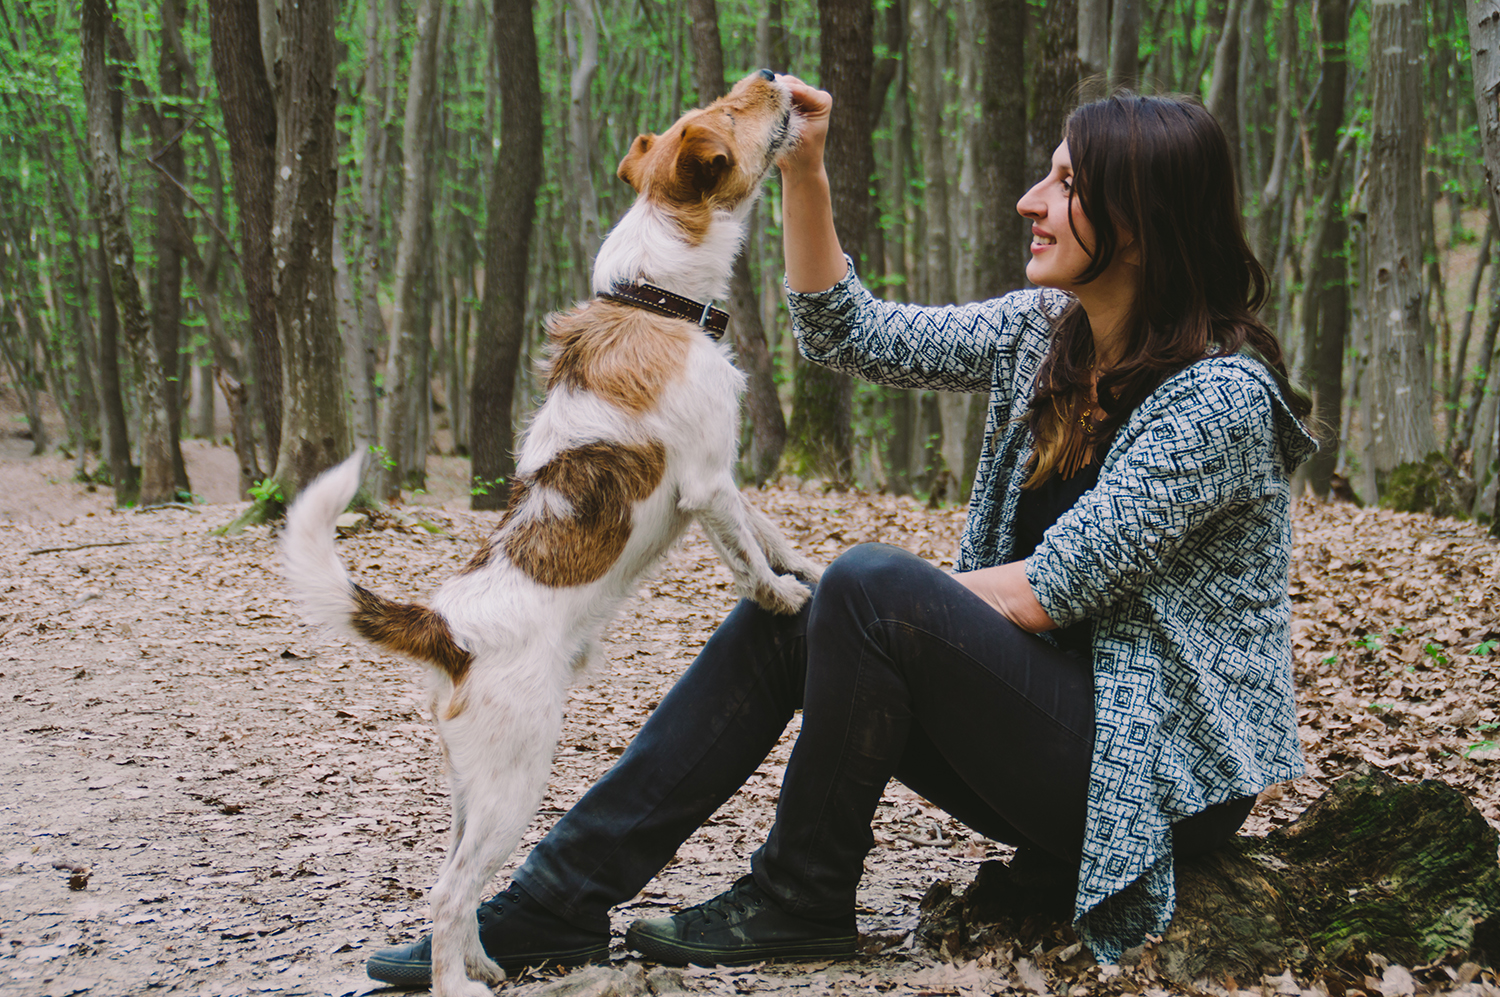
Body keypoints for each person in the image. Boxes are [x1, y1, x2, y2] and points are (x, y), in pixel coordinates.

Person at [365, 78, 1317, 986]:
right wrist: (803, 168)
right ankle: (555, 901)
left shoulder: (1220, 402)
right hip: (1042, 728)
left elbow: (1045, 590)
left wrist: (857, 598)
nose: (1032, 200)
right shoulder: (1045, 331)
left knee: (849, 589)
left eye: (1067, 185)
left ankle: (800, 890)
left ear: (1142, 225)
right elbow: (848, 332)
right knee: (799, 606)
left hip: (1145, 774)